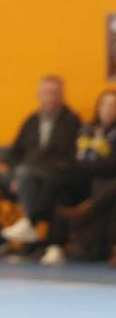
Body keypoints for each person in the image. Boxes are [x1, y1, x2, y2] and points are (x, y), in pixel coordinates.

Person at [0, 75, 80, 254]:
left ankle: (29, 235)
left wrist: (22, 174)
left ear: (62, 95)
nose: (50, 97)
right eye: (46, 93)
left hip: (46, 181)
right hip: (20, 176)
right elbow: (14, 153)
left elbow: (65, 158)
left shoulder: (71, 121)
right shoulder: (31, 120)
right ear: (39, 95)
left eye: (54, 93)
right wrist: (14, 175)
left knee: (25, 174)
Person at [26, 88, 116, 265]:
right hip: (84, 180)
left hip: (105, 180)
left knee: (109, 184)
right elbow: (73, 157)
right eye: (105, 105)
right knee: (59, 179)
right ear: (98, 108)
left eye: (113, 106)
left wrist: (89, 166)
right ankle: (53, 245)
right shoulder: (87, 130)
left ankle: (38, 225)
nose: (108, 109)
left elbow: (111, 165)